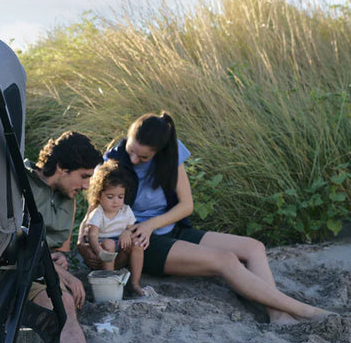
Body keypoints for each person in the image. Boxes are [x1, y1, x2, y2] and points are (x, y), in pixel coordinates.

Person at [78, 112, 330, 324]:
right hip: (142, 242)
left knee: (254, 247)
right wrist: (82, 238)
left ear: (160, 152)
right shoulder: (112, 161)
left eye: (143, 157)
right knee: (226, 260)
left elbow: (186, 205)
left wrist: (152, 224)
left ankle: (278, 314)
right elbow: (94, 209)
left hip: (168, 228)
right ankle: (304, 311)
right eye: (132, 150)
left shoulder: (172, 153)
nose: (134, 159)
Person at [0, 131, 130, 343]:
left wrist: (60, 262)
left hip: (37, 274)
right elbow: (4, 240)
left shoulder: (69, 201)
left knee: (63, 302)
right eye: (84, 176)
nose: (87, 186)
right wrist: (64, 275)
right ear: (62, 168)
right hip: (0, 263)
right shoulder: (19, 182)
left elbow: (60, 250)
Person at [78, 160, 144, 296]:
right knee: (109, 244)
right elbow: (92, 235)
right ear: (99, 196)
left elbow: (131, 228)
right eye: (110, 197)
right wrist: (99, 251)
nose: (116, 201)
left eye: (120, 197)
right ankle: (108, 282)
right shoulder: (98, 213)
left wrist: (126, 232)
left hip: (120, 251)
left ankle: (135, 283)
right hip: (103, 253)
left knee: (137, 244)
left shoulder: (125, 210)